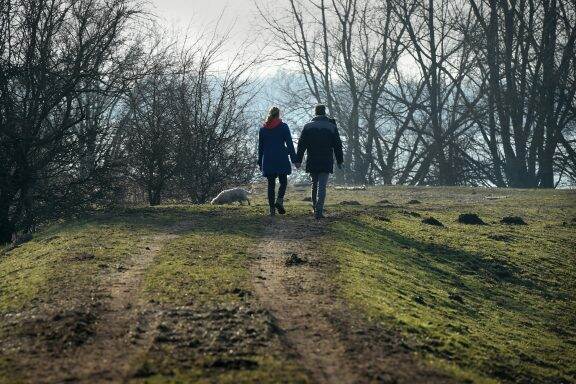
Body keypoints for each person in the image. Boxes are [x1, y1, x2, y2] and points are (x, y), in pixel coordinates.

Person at [295, 104, 343, 219]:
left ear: (315, 112)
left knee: (314, 184)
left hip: (312, 159)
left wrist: (298, 160)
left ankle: (315, 208)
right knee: (322, 186)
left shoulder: (307, 127)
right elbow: (338, 145)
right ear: (324, 112)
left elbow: (301, 145)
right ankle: (319, 211)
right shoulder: (332, 127)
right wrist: (340, 160)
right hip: (326, 160)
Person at [258, 106, 297, 216]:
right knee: (283, 182)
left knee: (271, 185)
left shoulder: (263, 129)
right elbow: (289, 143)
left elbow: (260, 147)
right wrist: (294, 158)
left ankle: (271, 210)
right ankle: (279, 200)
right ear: (278, 115)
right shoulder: (283, 127)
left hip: (268, 159)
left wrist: (260, 161)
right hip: (281, 158)